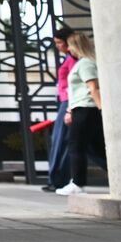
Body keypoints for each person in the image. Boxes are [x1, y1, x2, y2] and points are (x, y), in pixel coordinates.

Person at [57, 32, 105, 196]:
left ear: (77, 46)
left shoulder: (85, 64)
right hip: (82, 108)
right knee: (97, 148)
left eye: (70, 45)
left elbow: (93, 88)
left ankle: (77, 183)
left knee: (76, 146)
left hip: (85, 109)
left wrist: (101, 109)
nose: (68, 48)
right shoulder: (84, 63)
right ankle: (120, 175)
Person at [43, 26, 76, 192]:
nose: (57, 46)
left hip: (69, 102)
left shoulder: (74, 59)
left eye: (59, 43)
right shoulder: (68, 58)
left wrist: (70, 108)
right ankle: (58, 178)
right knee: (63, 140)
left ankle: (58, 179)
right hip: (66, 101)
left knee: (61, 140)